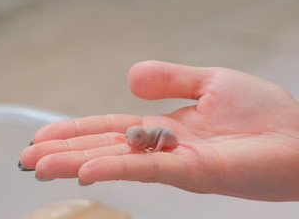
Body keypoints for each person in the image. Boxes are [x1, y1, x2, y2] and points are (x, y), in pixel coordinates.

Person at [19, 60, 299, 202]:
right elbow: (134, 141)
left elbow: (147, 143)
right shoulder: (136, 136)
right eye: (130, 139)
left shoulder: (150, 137)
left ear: (141, 138)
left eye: (134, 140)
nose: (131, 144)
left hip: (166, 139)